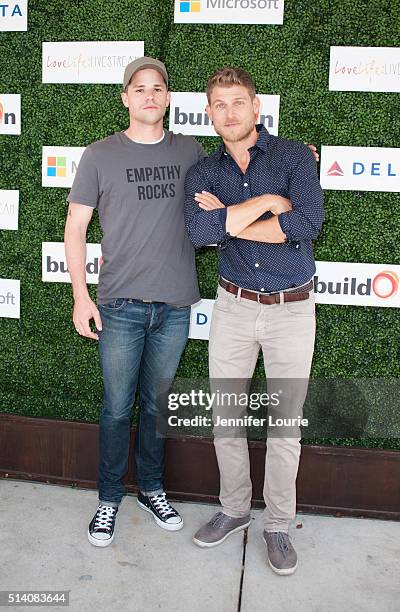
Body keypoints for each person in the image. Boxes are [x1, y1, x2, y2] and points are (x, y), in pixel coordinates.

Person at [184, 67, 324, 575]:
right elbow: (201, 232)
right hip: (233, 308)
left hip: (292, 310)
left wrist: (232, 217)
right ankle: (235, 510)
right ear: (209, 112)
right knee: (227, 419)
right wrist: (266, 203)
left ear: (257, 107)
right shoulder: (203, 171)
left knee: (285, 426)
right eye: (219, 104)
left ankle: (279, 525)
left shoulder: (292, 157)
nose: (229, 112)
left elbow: (307, 224)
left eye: (238, 102)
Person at [64, 57, 206, 546]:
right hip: (119, 305)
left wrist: (293, 156)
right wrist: (81, 297)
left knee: (156, 407)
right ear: (125, 98)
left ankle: (150, 488)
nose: (149, 95)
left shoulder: (191, 151)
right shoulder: (100, 155)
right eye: (139, 88)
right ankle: (108, 500)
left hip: (175, 306)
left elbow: (237, 179)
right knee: (116, 408)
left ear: (168, 97)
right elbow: (76, 228)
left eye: (158, 87)